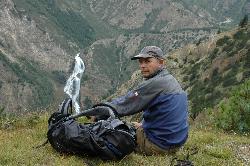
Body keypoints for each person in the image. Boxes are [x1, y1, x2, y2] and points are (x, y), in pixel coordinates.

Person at [93, 46, 189, 155]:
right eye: (141, 62)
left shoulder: (156, 83)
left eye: (148, 61)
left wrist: (99, 112)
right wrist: (144, 126)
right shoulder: (169, 80)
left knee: (110, 131)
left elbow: (124, 105)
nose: (143, 66)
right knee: (133, 125)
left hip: (159, 145)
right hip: (176, 142)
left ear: (161, 62)